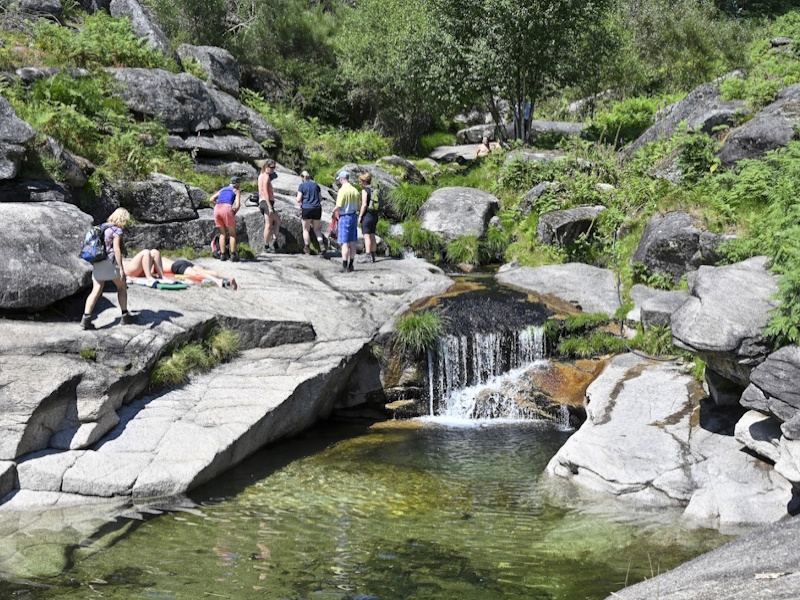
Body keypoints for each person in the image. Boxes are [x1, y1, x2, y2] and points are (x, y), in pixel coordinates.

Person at [81, 208, 137, 329]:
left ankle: (86, 319)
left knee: (96, 290)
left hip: (97, 261)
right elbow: (116, 249)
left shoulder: (100, 227)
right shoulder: (116, 230)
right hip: (110, 262)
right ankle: (125, 316)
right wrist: (121, 268)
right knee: (122, 287)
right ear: (122, 219)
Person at [209, 176, 241, 262]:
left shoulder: (223, 189)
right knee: (232, 234)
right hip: (227, 208)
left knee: (222, 233)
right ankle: (233, 255)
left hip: (217, 209)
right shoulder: (236, 190)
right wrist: (233, 212)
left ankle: (222, 255)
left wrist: (217, 204)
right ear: (237, 184)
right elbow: (237, 205)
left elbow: (211, 199)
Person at [334, 170, 360, 272]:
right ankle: (351, 264)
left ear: (341, 179)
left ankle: (344, 265)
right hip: (353, 217)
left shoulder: (342, 190)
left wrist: (333, 212)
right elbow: (358, 205)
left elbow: (339, 206)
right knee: (352, 242)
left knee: (344, 243)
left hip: (344, 217)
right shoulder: (355, 191)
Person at [296, 170, 325, 255]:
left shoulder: (302, 186)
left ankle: (307, 247)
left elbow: (298, 199)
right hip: (317, 208)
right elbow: (320, 198)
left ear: (302, 178)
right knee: (317, 229)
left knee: (306, 229)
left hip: (306, 209)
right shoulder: (316, 185)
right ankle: (321, 245)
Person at [162, 257, 238, 290]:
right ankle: (228, 277)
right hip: (181, 261)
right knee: (203, 272)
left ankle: (217, 281)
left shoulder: (153, 261)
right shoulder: (161, 257)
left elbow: (152, 272)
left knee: (197, 274)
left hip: (176, 267)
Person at [259, 159, 281, 253]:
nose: (273, 169)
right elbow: (266, 192)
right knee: (268, 225)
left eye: (274, 168)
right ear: (266, 167)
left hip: (263, 202)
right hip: (266, 202)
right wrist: (270, 207)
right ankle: (266, 246)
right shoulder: (266, 177)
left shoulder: (261, 175)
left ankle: (275, 243)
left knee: (277, 221)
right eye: (271, 167)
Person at [357, 172, 378, 263]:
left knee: (366, 236)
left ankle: (367, 256)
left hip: (367, 215)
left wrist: (360, 216)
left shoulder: (364, 190)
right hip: (375, 215)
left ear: (364, 181)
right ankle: (373, 256)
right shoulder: (373, 190)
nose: (360, 183)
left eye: (361, 181)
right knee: (372, 235)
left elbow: (364, 204)